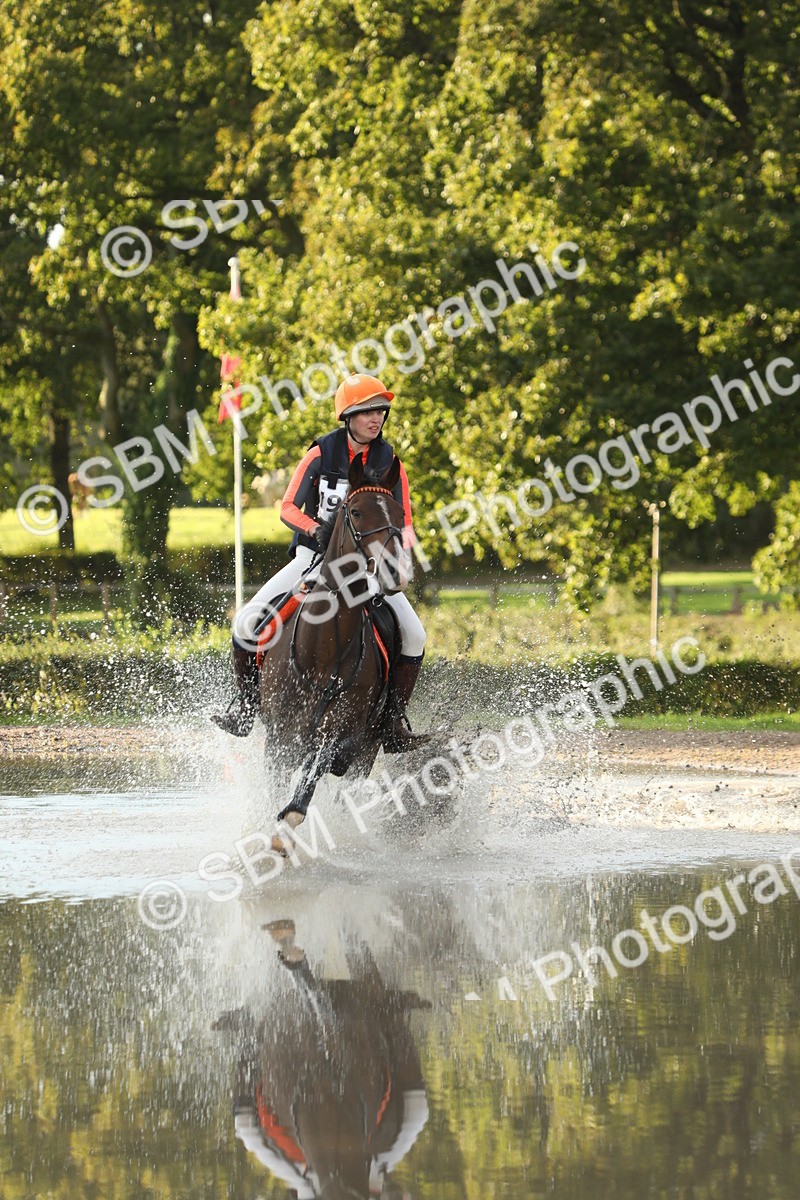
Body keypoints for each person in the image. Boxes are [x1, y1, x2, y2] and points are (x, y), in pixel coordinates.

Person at [212, 373, 428, 748]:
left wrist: (402, 559)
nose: (375, 419)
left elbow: (404, 520)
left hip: (371, 566)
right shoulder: (321, 453)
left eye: (380, 411)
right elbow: (287, 507)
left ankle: (392, 726)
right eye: (365, 412)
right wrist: (317, 533)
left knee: (415, 635)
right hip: (314, 557)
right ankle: (246, 708)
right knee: (247, 623)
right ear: (347, 416)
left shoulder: (390, 461)